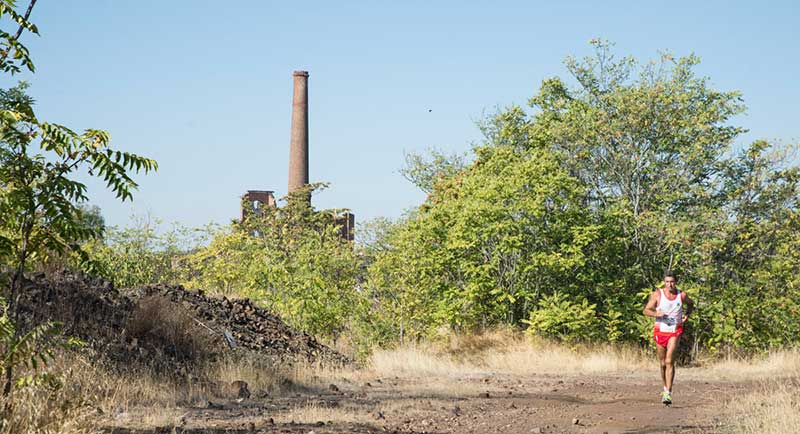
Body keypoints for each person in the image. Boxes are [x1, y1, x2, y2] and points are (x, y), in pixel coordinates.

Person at [643, 270, 694, 405]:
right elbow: (646, 310)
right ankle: (664, 387)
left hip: (675, 331)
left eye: (672, 282)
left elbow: (691, 303)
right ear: (664, 282)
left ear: (675, 282)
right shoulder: (658, 294)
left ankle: (668, 393)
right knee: (662, 363)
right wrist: (656, 313)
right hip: (660, 331)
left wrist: (687, 315)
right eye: (667, 282)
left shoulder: (681, 295)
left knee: (669, 360)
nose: (669, 285)